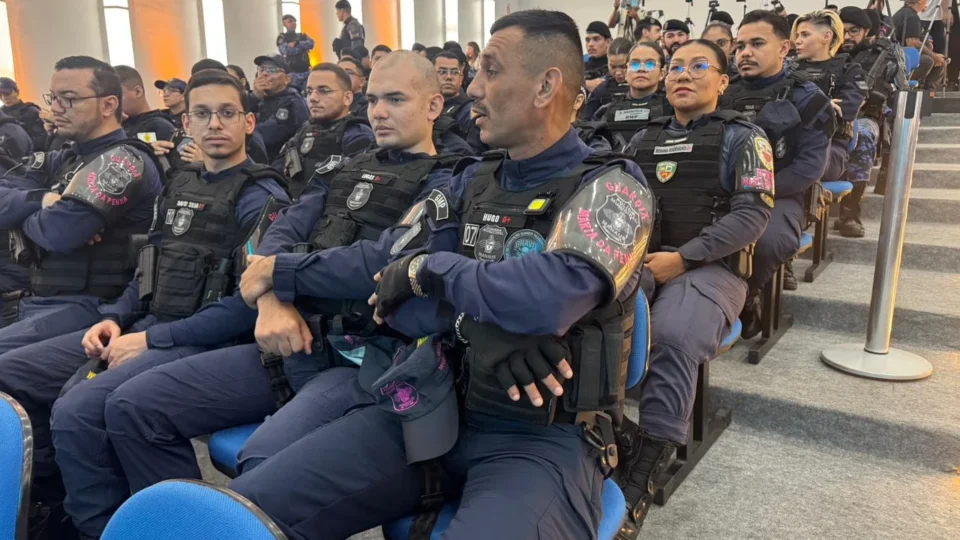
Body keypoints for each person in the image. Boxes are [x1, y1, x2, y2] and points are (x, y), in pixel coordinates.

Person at [227, 10, 654, 540]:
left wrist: (432, 268)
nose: (472, 89)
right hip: (427, 401)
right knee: (243, 516)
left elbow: (549, 299)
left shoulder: (615, 189)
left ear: (546, 85)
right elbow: (389, 289)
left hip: (541, 438)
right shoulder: (466, 181)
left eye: (490, 71)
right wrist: (480, 328)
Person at [94, 53, 455, 534]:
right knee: (133, 407)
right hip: (281, 341)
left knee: (262, 466)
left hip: (359, 360)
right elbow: (273, 238)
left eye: (395, 99)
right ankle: (183, 528)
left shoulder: (449, 181)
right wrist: (271, 300)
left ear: (433, 105)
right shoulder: (341, 169)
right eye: (373, 100)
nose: (379, 112)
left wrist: (277, 275)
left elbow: (379, 263)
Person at [6, 69, 287, 540]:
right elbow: (148, 271)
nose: (214, 123)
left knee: (100, 408)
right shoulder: (180, 187)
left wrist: (151, 338)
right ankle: (104, 527)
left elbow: (249, 304)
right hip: (155, 326)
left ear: (249, 123)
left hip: (210, 340)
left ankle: (169, 528)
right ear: (188, 125)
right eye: (202, 114)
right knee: (73, 411)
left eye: (226, 113)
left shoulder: (263, 198)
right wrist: (117, 318)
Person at [0, 56, 163, 536]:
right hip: (43, 301)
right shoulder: (63, 156)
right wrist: (42, 201)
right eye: (54, 97)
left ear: (110, 103)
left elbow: (60, 233)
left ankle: (46, 499)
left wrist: (43, 214)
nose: (57, 108)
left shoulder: (122, 160)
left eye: (70, 99)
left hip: (96, 307)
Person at [618, 38, 773, 538]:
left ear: (723, 81)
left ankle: (646, 466)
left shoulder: (745, 139)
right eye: (675, 67)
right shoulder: (639, 141)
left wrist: (684, 258)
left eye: (698, 66)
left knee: (673, 334)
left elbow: (754, 214)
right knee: (585, 313)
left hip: (714, 268)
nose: (683, 75)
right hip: (644, 260)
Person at [721, 10, 833, 338]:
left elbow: (810, 167)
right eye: (740, 46)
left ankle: (748, 294)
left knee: (767, 242)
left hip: (780, 194)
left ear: (784, 48)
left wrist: (753, 192)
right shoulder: (722, 92)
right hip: (723, 189)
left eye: (757, 44)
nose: (745, 53)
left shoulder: (809, 97)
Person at [837, 6, 905, 237]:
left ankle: (850, 212)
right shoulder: (830, 52)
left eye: (853, 31)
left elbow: (901, 90)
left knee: (862, 135)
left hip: (868, 116)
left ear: (866, 31)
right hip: (831, 114)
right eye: (842, 30)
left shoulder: (883, 53)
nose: (847, 36)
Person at [277, 63, 375, 198]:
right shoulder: (304, 131)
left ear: (347, 98)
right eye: (309, 92)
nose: (313, 98)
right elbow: (278, 171)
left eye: (323, 91)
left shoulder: (357, 135)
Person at [595, 41, 672, 150]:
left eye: (649, 64)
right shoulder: (605, 111)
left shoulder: (672, 108)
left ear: (662, 73)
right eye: (634, 64)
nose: (641, 69)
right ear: (626, 72)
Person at [250, 54, 309, 162]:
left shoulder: (292, 102)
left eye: (272, 70)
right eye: (261, 69)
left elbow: (266, 136)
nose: (264, 74)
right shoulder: (257, 98)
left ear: (287, 79)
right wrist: (253, 98)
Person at [432, 51, 479, 155]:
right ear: (431, 76)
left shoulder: (469, 112)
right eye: (442, 72)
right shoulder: (427, 107)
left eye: (454, 72)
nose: (449, 77)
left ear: (461, 77)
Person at [114, 65, 176, 143]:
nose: (112, 102)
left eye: (117, 96)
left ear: (137, 92)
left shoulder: (160, 127)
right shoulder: (119, 126)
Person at [894, 0, 947, 91]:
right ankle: (917, 88)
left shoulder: (903, 13)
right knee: (928, 61)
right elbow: (912, 42)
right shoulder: (912, 17)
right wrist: (934, 56)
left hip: (898, 54)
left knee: (936, 59)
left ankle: (927, 89)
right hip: (901, 58)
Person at [580, 37, 633, 121]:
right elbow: (585, 120)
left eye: (623, 66)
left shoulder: (644, 85)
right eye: (613, 67)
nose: (618, 72)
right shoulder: (602, 89)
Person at [0, 77, 47, 150]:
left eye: (7, 93)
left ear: (17, 92)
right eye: (0, 94)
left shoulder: (31, 111)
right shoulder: (1, 114)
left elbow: (42, 139)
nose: (4, 97)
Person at [277, 14, 316, 91]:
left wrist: (296, 44)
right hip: (293, 73)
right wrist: (302, 47)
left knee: (308, 93)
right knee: (294, 93)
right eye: (290, 21)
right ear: (284, 24)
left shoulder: (302, 35)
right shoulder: (282, 37)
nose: (293, 23)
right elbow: (286, 51)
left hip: (306, 71)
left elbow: (311, 44)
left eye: (294, 21)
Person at [585, 20, 613, 91]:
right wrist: (585, 84)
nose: (590, 44)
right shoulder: (580, 68)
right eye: (587, 40)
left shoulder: (615, 67)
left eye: (596, 39)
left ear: (608, 42)